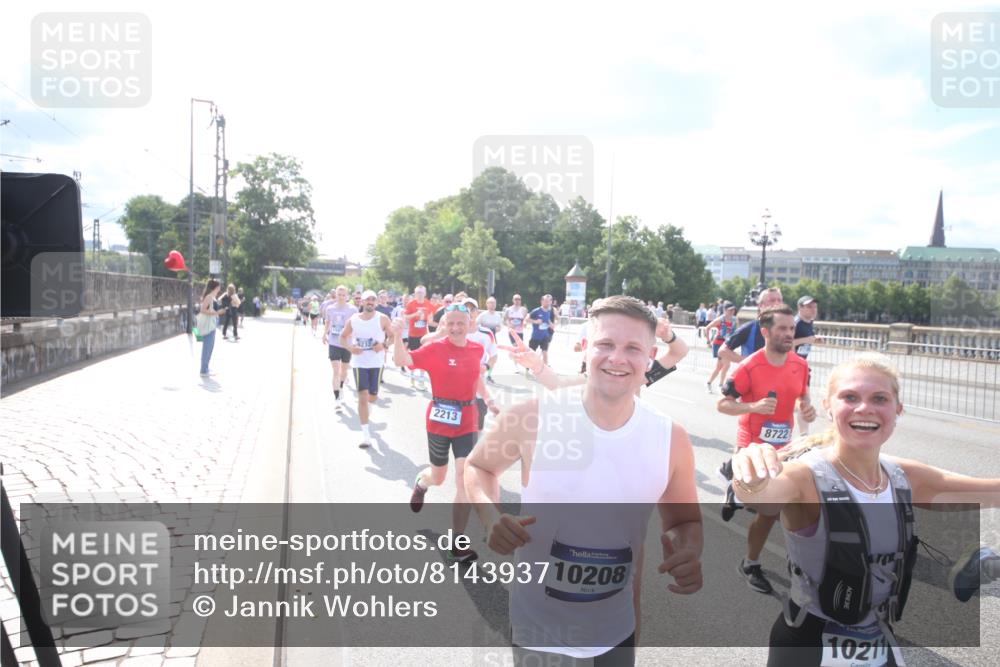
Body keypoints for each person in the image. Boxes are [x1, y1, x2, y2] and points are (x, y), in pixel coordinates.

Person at [465, 295, 703, 665]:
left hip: (617, 632)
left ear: (650, 356)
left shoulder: (671, 438)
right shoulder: (534, 417)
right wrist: (490, 518)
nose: (617, 358)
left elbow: (684, 521)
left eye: (633, 348)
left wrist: (689, 551)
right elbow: (478, 467)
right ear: (584, 347)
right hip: (539, 632)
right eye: (605, 344)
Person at [732, 353, 1000, 666]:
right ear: (828, 406)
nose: (865, 408)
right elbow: (764, 496)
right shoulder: (806, 476)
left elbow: (986, 491)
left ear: (897, 409)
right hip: (807, 643)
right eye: (849, 397)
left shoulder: (902, 476)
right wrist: (749, 475)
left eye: (880, 398)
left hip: (877, 639)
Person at [717, 304, 815, 593]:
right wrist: (753, 406)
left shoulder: (800, 365)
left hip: (784, 450)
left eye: (791, 329)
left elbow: (802, 398)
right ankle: (751, 563)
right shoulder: (749, 366)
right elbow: (722, 404)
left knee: (791, 506)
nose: (789, 334)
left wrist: (805, 410)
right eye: (782, 329)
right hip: (752, 448)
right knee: (771, 511)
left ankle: (734, 482)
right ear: (765, 332)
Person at [391, 304, 499, 563]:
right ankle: (422, 483)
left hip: (467, 420)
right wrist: (397, 336)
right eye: (450, 323)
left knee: (463, 481)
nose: (455, 328)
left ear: (470, 323)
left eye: (460, 323)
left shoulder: (477, 348)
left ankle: (457, 544)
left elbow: (475, 377)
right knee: (438, 477)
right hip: (439, 419)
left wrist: (489, 398)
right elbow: (402, 361)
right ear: (443, 324)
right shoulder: (434, 349)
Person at [421, 297, 498, 436]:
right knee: (452, 430)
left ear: (477, 312)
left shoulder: (486, 333)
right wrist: (441, 332)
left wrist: (486, 367)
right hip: (453, 390)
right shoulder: (452, 330)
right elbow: (425, 342)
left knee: (477, 428)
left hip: (477, 389)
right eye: (466, 308)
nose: (470, 311)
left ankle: (472, 452)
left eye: (472, 309)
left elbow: (494, 356)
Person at [340, 290, 391, 448]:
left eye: (373, 300)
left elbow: (393, 336)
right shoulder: (354, 320)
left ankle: (368, 411)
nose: (370, 302)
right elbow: (343, 337)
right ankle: (366, 435)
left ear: (376, 302)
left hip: (376, 363)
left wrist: (383, 345)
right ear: (361, 302)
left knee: (373, 396)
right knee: (362, 395)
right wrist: (350, 348)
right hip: (359, 362)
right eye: (367, 299)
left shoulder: (382, 319)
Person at [718, 287, 784, 366]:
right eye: (772, 300)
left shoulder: (787, 329)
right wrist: (749, 361)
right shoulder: (750, 328)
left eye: (779, 300)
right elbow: (722, 351)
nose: (777, 303)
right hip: (753, 376)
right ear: (761, 305)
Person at [323, 285, 359, 412]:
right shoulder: (330, 308)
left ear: (347, 296)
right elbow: (328, 322)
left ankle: (341, 386)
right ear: (336, 295)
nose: (341, 297)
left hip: (347, 344)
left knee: (343, 371)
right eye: (339, 294)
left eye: (344, 295)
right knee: (335, 370)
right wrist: (324, 334)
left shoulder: (353, 309)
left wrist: (354, 338)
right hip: (334, 342)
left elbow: (356, 326)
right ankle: (337, 398)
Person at [793, 295, 822, 435]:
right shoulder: (795, 323)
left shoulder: (809, 323)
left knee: (805, 400)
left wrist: (813, 339)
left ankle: (804, 435)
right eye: (809, 307)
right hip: (791, 367)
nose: (813, 309)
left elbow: (803, 342)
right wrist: (807, 339)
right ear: (800, 308)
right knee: (801, 401)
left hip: (802, 367)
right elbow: (786, 344)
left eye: (815, 307)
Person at [403, 285, 433, 389]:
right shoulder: (411, 304)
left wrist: (430, 321)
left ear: (425, 293)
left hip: (423, 335)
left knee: (423, 358)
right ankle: (412, 379)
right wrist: (415, 314)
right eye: (417, 293)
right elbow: (405, 317)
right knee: (413, 357)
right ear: (415, 294)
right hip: (413, 334)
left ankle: (421, 380)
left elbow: (430, 319)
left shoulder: (428, 304)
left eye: (421, 292)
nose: (419, 294)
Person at [704, 302, 737, 393]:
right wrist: (708, 341)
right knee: (726, 365)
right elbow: (707, 328)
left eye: (733, 310)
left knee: (719, 367)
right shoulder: (720, 320)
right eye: (730, 310)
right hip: (719, 344)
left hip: (728, 345)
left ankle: (709, 383)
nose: (732, 312)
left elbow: (736, 332)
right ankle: (720, 385)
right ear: (724, 310)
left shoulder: (735, 320)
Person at [197, 279, 226, 376]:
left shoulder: (212, 297)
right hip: (209, 326)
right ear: (216, 287)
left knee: (210, 347)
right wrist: (217, 312)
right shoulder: (209, 297)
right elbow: (202, 310)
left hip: (212, 325)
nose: (219, 289)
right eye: (219, 287)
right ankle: (203, 370)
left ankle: (206, 368)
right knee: (207, 347)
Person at [528, 294, 556, 367]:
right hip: (535, 336)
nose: (547, 303)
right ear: (541, 301)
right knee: (531, 353)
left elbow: (548, 320)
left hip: (545, 336)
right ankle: (528, 367)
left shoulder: (548, 311)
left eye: (548, 301)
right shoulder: (536, 311)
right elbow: (526, 319)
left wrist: (551, 325)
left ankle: (545, 368)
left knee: (545, 352)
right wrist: (536, 321)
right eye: (545, 301)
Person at [503, 294, 529, 370]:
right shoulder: (508, 309)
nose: (517, 301)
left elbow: (526, 319)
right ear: (513, 300)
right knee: (516, 347)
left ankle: (514, 357)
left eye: (519, 299)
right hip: (512, 332)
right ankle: (516, 365)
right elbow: (504, 320)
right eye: (516, 299)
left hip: (520, 332)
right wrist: (509, 325)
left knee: (520, 348)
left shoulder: (523, 310)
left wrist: (525, 323)